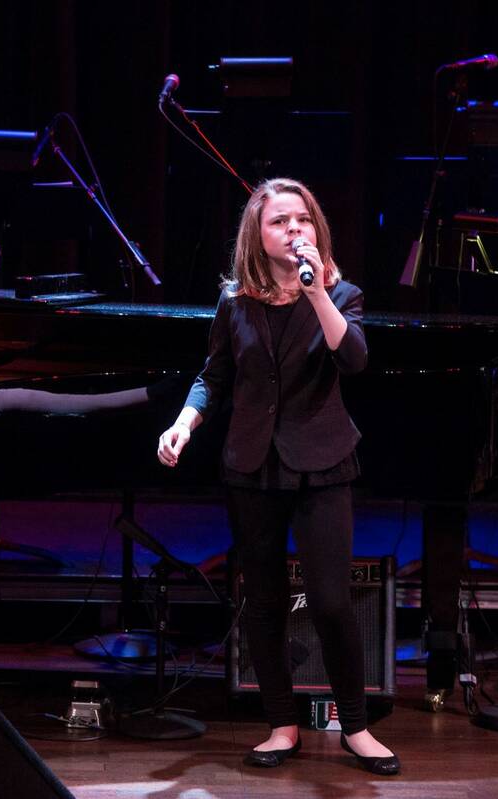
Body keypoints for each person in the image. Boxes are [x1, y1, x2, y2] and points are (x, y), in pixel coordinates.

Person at [157, 178, 400, 776]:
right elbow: (212, 374)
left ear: (316, 229)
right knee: (262, 601)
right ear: (257, 236)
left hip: (323, 462)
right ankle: (281, 724)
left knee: (330, 601)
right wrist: (185, 421)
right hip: (251, 463)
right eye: (279, 222)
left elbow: (356, 360)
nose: (293, 229)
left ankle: (356, 726)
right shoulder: (234, 301)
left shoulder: (342, 294)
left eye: (302, 220)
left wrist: (317, 292)